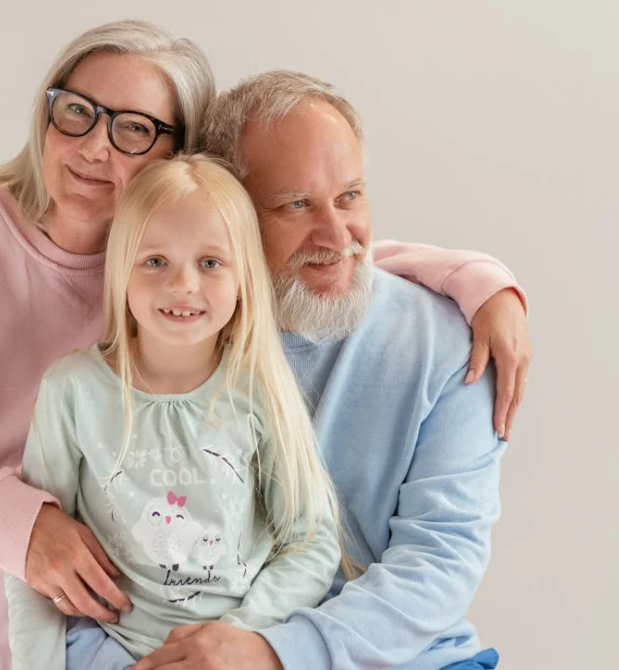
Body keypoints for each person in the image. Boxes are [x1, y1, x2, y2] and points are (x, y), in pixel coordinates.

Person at [0, 21, 528, 670]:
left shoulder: (183, 278)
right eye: (76, 111)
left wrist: (479, 280)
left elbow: (320, 252)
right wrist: (22, 530)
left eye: (134, 128)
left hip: (110, 623)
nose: (95, 145)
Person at [132, 71, 528, 670]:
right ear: (230, 212)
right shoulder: (167, 343)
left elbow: (441, 559)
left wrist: (276, 653)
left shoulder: (451, 343)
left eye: (350, 196)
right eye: (296, 204)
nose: (338, 235)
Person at [7, 153, 351, 669]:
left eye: (210, 263)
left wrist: (238, 638)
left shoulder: (258, 391)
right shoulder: (73, 391)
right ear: (121, 269)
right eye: (154, 261)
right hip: (114, 654)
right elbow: (35, 564)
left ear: (243, 277)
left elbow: (310, 540)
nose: (183, 284)